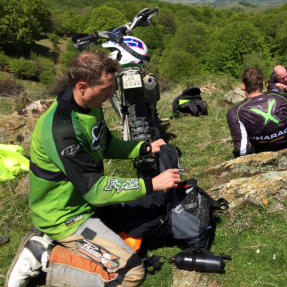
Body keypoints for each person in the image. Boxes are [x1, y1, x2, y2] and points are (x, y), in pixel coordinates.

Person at [6, 51, 181, 287]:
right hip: (65, 217)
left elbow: (105, 143)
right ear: (82, 86)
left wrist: (144, 148)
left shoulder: (90, 105)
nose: (111, 96)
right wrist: (152, 184)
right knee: (130, 272)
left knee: (147, 223)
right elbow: (96, 189)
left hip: (87, 204)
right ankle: (45, 257)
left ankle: (56, 250)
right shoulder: (62, 130)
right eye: (106, 89)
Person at [227, 67, 287, 157]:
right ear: (263, 84)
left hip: (260, 155)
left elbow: (242, 151)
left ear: (243, 86)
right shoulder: (284, 99)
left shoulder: (234, 112)